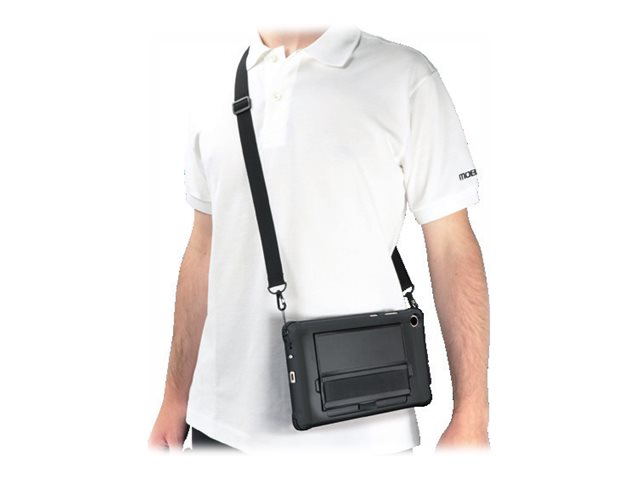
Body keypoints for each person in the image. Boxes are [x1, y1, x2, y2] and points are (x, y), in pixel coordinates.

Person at [148, 24, 490, 454]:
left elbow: (451, 245)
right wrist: (175, 397)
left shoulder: (405, 75)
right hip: (220, 427)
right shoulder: (212, 86)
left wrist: (472, 414)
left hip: (366, 432)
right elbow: (203, 249)